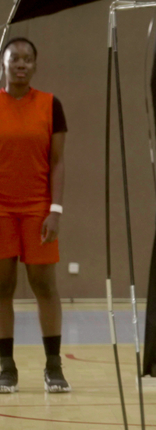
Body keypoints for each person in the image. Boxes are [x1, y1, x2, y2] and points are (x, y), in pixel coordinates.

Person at [0, 37, 70, 394]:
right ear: (4, 64)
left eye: (28, 59)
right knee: (2, 288)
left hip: (38, 210)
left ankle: (53, 365)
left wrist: (54, 210)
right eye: (15, 59)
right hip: (0, 211)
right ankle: (5, 366)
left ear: (35, 65)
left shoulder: (49, 105)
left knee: (44, 286)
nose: (21, 64)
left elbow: (57, 163)